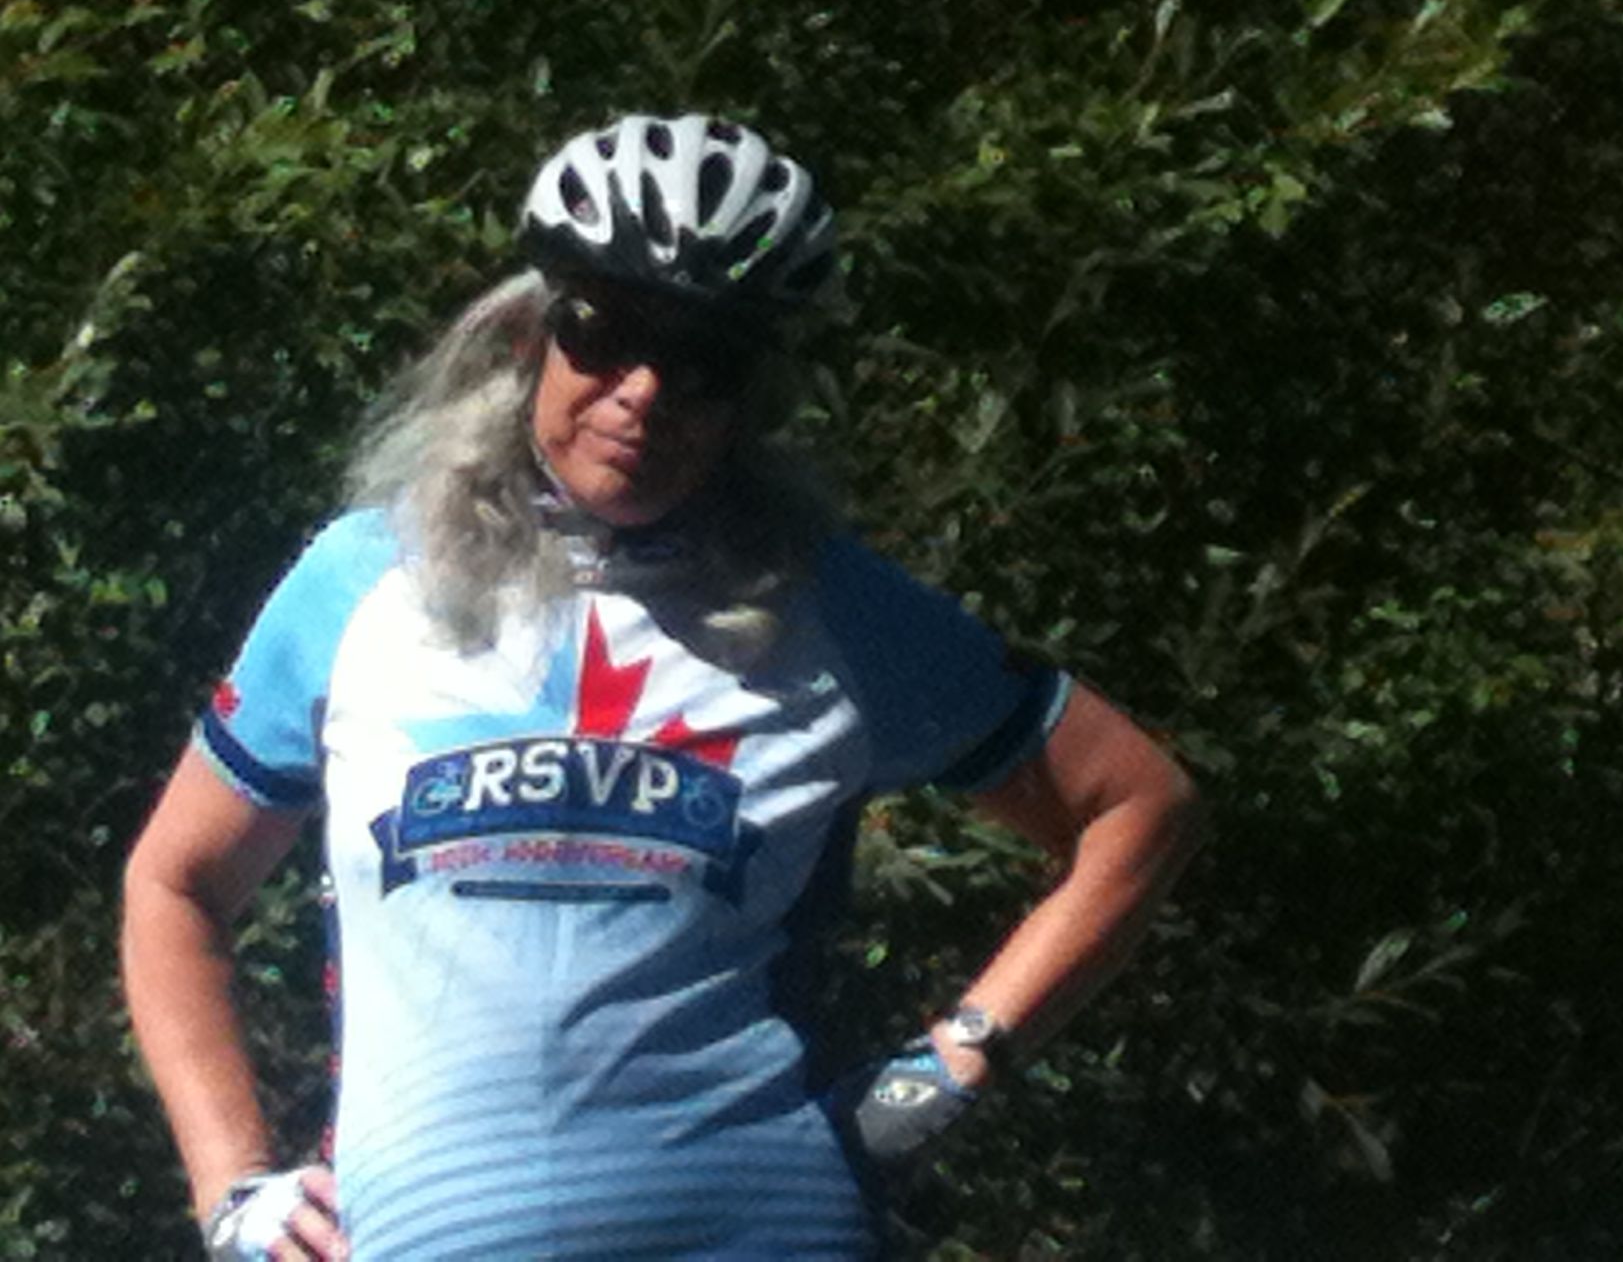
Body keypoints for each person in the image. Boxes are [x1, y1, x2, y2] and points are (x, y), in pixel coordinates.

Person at [121, 113, 1203, 1260]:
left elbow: (1139, 804)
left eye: (704, 363)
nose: (643, 391)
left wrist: (944, 1073)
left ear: (753, 394)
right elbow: (173, 886)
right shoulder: (360, 582)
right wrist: (233, 1187)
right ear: (531, 334)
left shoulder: (829, 605)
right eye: (605, 331)